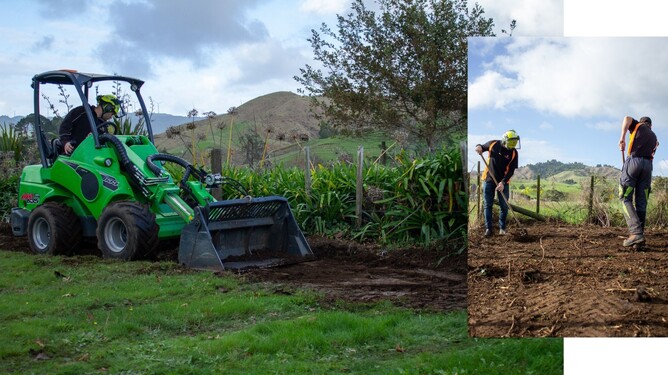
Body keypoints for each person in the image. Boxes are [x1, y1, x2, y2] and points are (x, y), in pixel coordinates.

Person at [618, 116, 659, 247]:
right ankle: (639, 239)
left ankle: (635, 233)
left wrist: (622, 138)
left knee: (625, 197)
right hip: (648, 168)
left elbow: (627, 118)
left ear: (642, 123)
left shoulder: (638, 126)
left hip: (634, 163)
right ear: (651, 126)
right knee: (642, 202)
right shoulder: (654, 138)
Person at [475, 130, 520, 237]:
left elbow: (511, 171)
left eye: (514, 142)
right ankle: (488, 229)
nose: (513, 145)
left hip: (504, 182)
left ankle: (502, 229)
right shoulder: (494, 144)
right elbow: (482, 146)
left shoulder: (514, 153)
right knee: (488, 204)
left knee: (504, 206)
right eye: (511, 142)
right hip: (489, 180)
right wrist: (478, 147)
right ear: (505, 140)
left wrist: (503, 183)